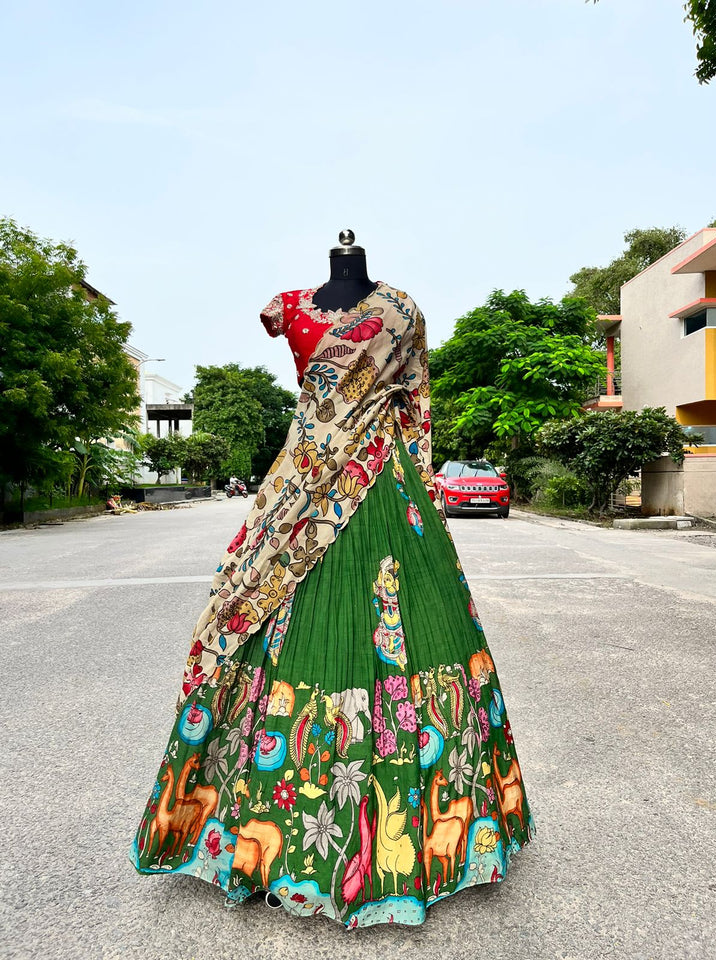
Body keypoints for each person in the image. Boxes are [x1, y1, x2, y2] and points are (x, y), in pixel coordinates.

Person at [130, 233, 533, 929]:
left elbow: (415, 406)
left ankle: (426, 838)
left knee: (410, 631)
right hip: (303, 490)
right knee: (270, 627)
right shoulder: (287, 307)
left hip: (383, 482)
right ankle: (264, 837)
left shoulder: (401, 310)